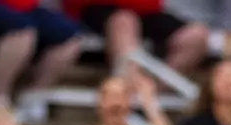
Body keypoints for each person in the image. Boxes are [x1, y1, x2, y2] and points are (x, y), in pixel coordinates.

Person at [69, 0, 209, 75]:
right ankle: (126, 94)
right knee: (125, 21)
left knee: (196, 35)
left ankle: (152, 96)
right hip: (96, 8)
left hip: (145, 10)